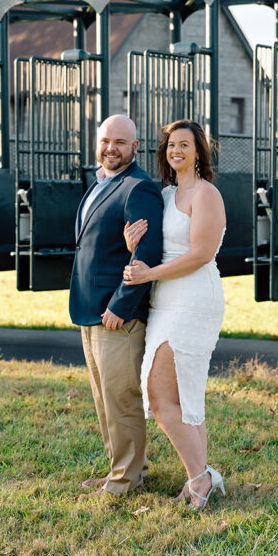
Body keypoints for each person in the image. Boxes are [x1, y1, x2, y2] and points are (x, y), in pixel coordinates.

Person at [121, 119, 227, 510]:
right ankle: (203, 477)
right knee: (182, 398)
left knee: (161, 397)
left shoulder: (207, 194)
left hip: (194, 299)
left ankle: (200, 478)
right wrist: (132, 244)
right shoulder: (165, 195)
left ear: (199, 151)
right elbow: (154, 247)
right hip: (164, 298)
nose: (175, 151)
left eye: (184, 144)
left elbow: (199, 254)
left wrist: (150, 273)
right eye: (170, 145)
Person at [69, 114, 164, 498]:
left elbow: (147, 255)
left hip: (116, 315)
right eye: (106, 140)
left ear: (135, 148)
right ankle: (122, 471)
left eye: (121, 142)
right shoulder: (99, 182)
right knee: (103, 397)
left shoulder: (138, 189)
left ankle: (125, 482)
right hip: (90, 311)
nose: (111, 148)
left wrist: (121, 307)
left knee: (121, 398)